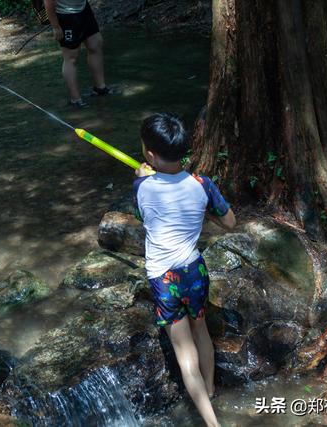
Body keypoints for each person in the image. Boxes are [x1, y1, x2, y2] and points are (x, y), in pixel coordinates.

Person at [133, 113, 236, 427]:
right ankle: (211, 388)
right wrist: (206, 209)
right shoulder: (201, 184)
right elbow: (230, 222)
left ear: (149, 154)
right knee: (201, 331)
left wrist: (142, 176)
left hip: (164, 280)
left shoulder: (141, 186)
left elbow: (142, 216)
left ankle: (211, 422)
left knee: (183, 349)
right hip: (195, 271)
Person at [44, 0, 109, 108]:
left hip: (83, 9)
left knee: (95, 44)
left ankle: (100, 88)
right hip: (65, 15)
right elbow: (48, 2)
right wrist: (55, 26)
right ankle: (75, 99)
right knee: (71, 58)